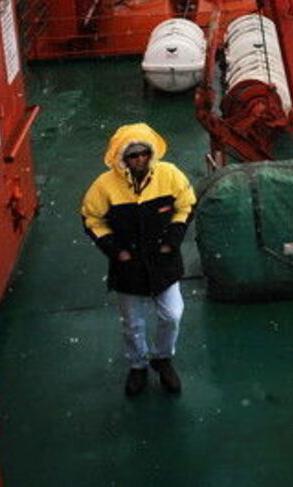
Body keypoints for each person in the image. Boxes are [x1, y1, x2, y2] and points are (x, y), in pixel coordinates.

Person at [81, 122, 196, 397]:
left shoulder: (170, 175)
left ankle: (162, 357)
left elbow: (186, 204)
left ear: (152, 153)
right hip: (128, 267)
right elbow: (91, 218)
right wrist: (115, 250)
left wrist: (172, 240)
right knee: (133, 324)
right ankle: (138, 365)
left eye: (145, 153)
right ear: (123, 158)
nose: (140, 159)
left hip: (163, 262)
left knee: (172, 315)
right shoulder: (104, 186)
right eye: (133, 155)